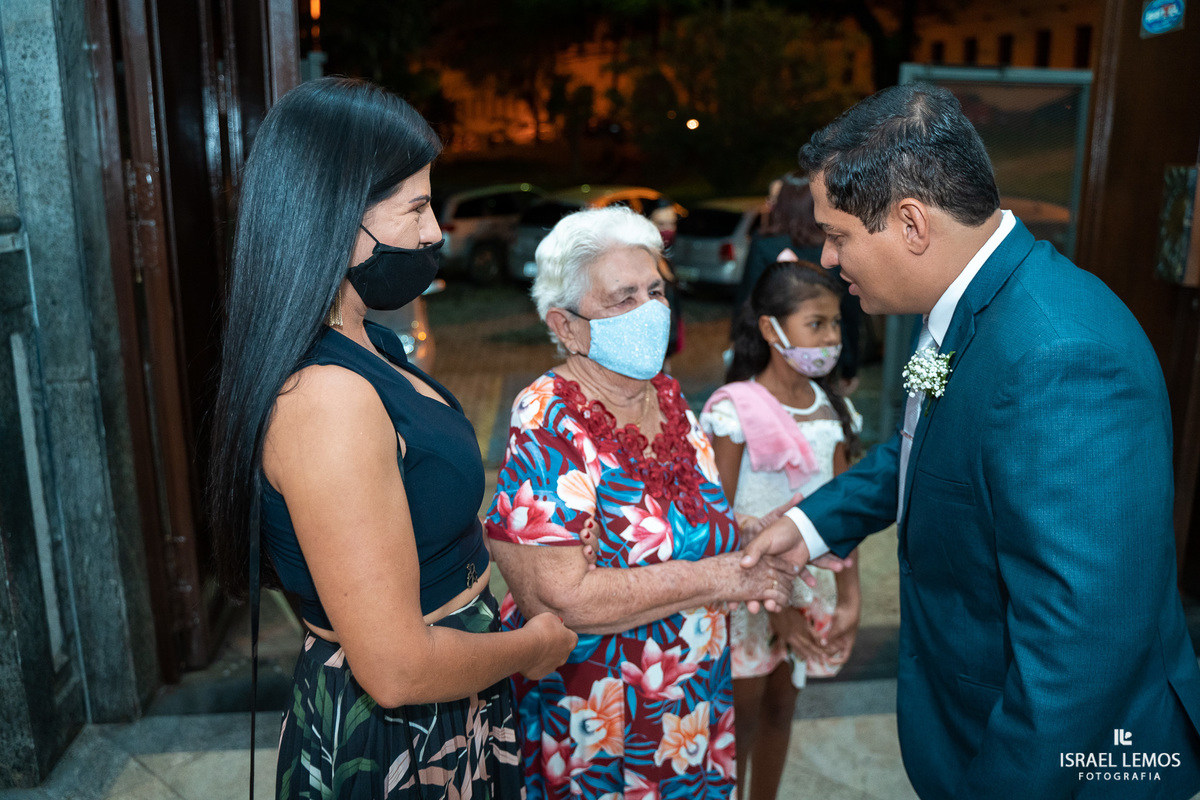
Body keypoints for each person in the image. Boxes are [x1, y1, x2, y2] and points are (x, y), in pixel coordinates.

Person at [742, 83, 1200, 798]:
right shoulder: (977, 299)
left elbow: (1080, 652)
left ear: (912, 224)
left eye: (837, 236)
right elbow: (931, 444)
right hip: (974, 722)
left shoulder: (1061, 358)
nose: (827, 261)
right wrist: (809, 525)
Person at [207, 78, 576, 799]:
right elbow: (397, 669)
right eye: (415, 207)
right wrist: (532, 648)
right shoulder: (327, 400)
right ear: (337, 219)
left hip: (455, 689)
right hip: (404, 730)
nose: (435, 231)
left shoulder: (369, 344)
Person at [484, 205, 797, 800]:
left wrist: (748, 532)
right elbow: (562, 596)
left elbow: (677, 525)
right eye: (622, 298)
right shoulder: (550, 415)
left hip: (689, 708)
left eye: (655, 290)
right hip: (599, 718)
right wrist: (720, 576)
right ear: (568, 326)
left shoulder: (670, 397)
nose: (650, 311)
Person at [700, 261, 863, 800]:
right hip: (747, 597)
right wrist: (784, 608)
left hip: (805, 591)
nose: (831, 338)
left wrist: (850, 598)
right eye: (816, 324)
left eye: (836, 324)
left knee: (780, 710)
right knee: (740, 719)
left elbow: (846, 516)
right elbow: (717, 518)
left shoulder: (834, 412)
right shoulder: (735, 411)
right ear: (772, 331)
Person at [734, 173, 864, 391]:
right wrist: (850, 365)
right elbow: (848, 311)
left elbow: (748, 302)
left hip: (774, 352)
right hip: (823, 353)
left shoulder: (764, 244)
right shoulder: (830, 247)